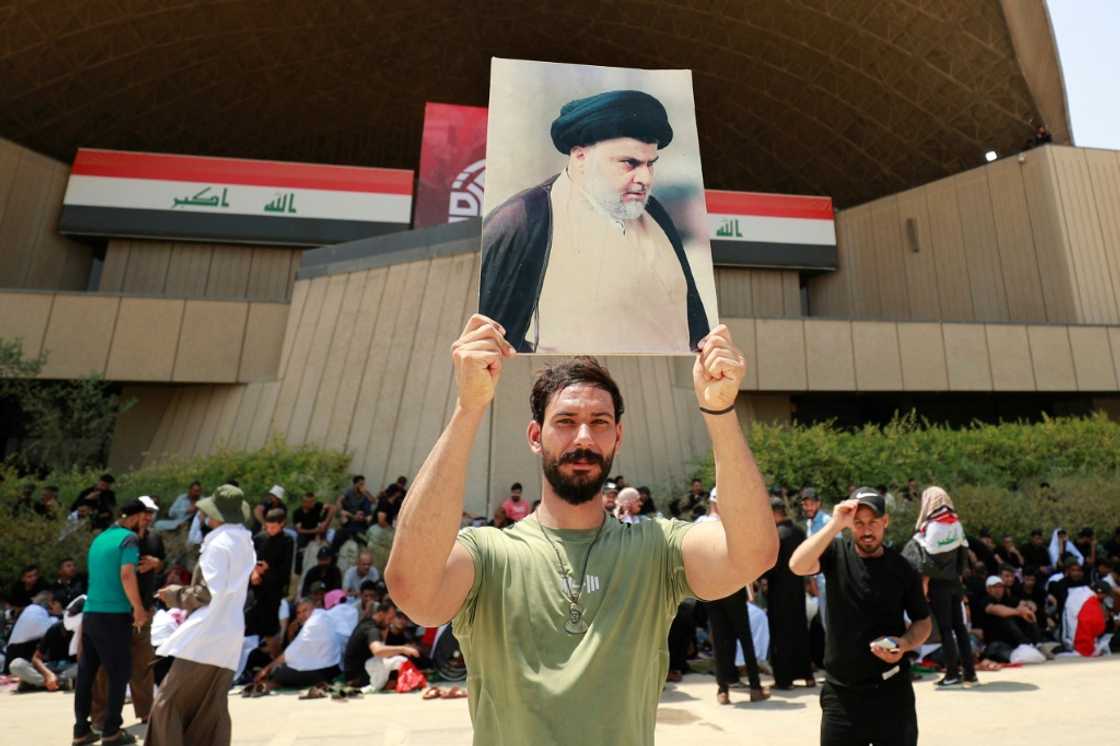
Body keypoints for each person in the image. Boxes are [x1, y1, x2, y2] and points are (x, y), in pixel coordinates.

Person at [385, 316, 777, 745]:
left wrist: (719, 411)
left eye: (600, 422)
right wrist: (469, 407)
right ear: (536, 435)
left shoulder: (657, 548)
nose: (584, 437)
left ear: (618, 436)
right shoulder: (488, 552)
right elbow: (413, 592)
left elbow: (753, 553)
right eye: (566, 421)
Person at [479, 90, 710, 353]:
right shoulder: (523, 220)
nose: (645, 178)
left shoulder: (654, 212)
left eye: (650, 164)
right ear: (580, 158)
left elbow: (695, 327)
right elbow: (488, 343)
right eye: (630, 163)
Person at [790, 488, 932, 746]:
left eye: (873, 523)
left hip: (892, 693)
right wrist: (835, 524)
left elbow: (923, 621)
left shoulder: (903, 568)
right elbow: (797, 565)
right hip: (841, 694)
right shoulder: (835, 554)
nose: (867, 531)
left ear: (885, 522)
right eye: (859, 523)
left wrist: (905, 644)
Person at [146, 484, 255, 746]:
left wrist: (173, 594)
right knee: (211, 707)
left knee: (166, 703)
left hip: (206, 635)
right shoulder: (245, 542)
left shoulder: (218, 544)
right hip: (229, 634)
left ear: (216, 514)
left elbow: (206, 594)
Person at [73, 499, 150, 746]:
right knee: (119, 672)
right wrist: (138, 608)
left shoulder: (99, 539)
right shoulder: (128, 539)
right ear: (136, 516)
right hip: (114, 615)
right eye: (144, 516)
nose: (146, 522)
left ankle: (81, 730)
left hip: (91, 613)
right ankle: (112, 731)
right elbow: (127, 574)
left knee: (87, 673)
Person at [92, 495, 164, 728]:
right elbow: (121, 572)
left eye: (151, 513)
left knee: (143, 663)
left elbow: (162, 564)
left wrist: (157, 564)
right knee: (105, 666)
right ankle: (100, 717)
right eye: (144, 512)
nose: (147, 517)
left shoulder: (154, 538)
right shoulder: (121, 539)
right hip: (118, 610)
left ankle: (145, 712)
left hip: (144, 610)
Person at [697, 490, 769, 704]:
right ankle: (754, 687)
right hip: (731, 585)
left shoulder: (700, 524)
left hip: (712, 587)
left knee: (720, 640)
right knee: (743, 636)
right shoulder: (732, 525)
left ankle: (723, 690)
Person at [902, 486, 976, 688]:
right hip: (954, 583)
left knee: (945, 629)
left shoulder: (932, 527)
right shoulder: (956, 523)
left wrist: (924, 583)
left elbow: (927, 560)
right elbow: (962, 553)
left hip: (938, 585)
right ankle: (970, 673)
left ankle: (952, 674)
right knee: (960, 628)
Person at [766, 497, 815, 689]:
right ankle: (807, 675)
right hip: (797, 589)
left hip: (778, 591)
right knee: (800, 631)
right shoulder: (799, 532)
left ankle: (784, 679)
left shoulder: (776, 535)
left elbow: (771, 566)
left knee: (781, 634)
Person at [255, 599, 342, 690]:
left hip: (324, 671)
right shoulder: (323, 616)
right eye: (298, 613)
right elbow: (299, 650)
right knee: (282, 667)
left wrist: (267, 668)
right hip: (333, 668)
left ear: (314, 609)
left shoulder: (314, 623)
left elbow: (290, 653)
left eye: (305, 610)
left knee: (278, 671)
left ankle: (270, 685)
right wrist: (290, 634)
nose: (301, 615)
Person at [247, 509, 295, 656]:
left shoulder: (287, 541)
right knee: (248, 626)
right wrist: (255, 572)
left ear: (282, 524)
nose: (270, 530)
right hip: (255, 590)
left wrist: (267, 570)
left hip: (273, 592)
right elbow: (249, 561)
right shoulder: (259, 538)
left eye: (273, 527)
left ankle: (274, 662)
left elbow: (284, 571)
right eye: (268, 527)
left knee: (270, 631)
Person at [9, 592, 78, 692]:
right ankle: (54, 683)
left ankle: (37, 684)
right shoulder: (54, 628)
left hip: (68, 669)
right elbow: (36, 659)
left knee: (84, 668)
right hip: (50, 667)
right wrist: (48, 674)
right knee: (16, 665)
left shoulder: (82, 631)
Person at [342, 600, 417, 690]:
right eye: (390, 619)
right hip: (357, 677)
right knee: (399, 660)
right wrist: (403, 649)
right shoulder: (371, 629)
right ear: (381, 614)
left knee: (394, 659)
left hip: (358, 673)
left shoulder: (369, 623)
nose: (391, 622)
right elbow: (378, 651)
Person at [975, 576, 1041, 660]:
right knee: (1007, 619)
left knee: (1028, 617)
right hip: (995, 644)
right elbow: (997, 610)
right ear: (988, 589)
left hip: (1011, 643)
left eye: (1001, 586)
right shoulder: (985, 600)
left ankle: (1037, 644)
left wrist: (1029, 607)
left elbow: (1025, 603)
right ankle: (1026, 645)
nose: (999, 589)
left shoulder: (1007, 599)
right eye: (995, 587)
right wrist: (1019, 612)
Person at [801, 488, 831, 630]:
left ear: (818, 503)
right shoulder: (809, 524)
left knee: (833, 624)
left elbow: (835, 551)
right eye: (805, 504)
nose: (808, 508)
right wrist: (812, 580)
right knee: (826, 624)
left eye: (811, 504)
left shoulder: (827, 522)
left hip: (829, 580)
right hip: (819, 582)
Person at [335, 476, 374, 549]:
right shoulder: (349, 492)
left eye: (363, 484)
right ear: (355, 484)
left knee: (367, 521)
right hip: (350, 517)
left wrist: (366, 493)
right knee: (344, 528)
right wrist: (341, 511)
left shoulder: (364, 494)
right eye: (360, 484)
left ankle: (360, 538)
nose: (362, 486)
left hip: (360, 517)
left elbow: (373, 501)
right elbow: (339, 501)